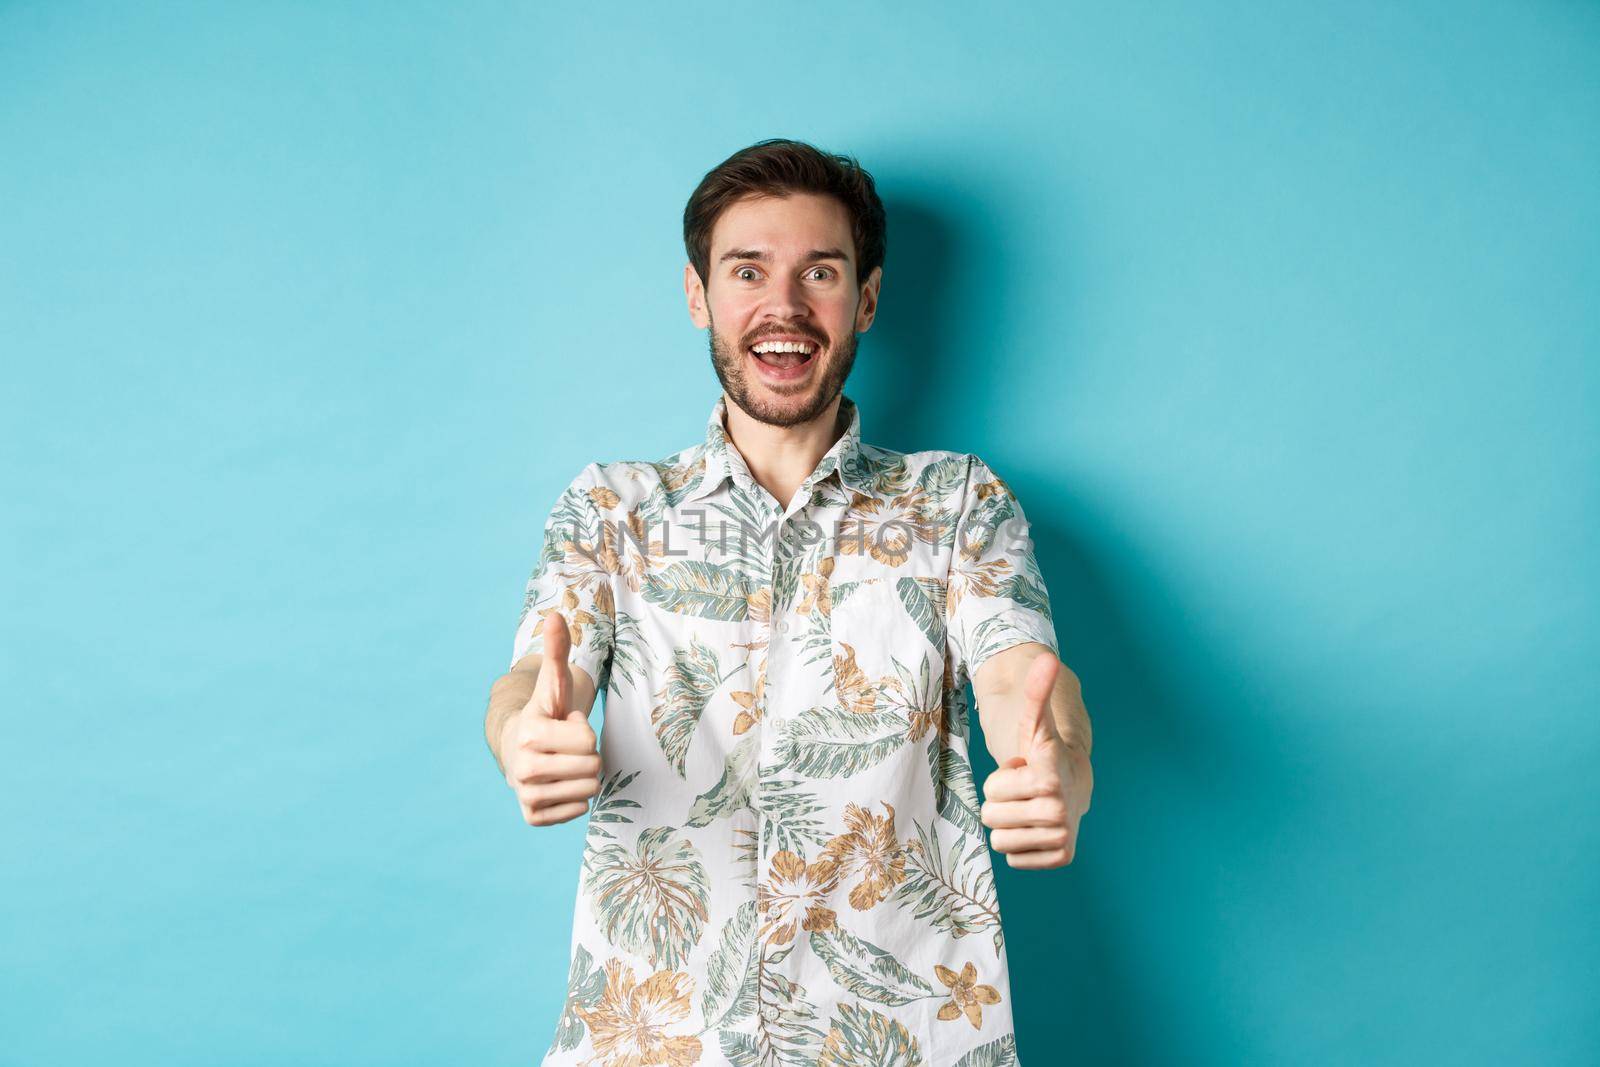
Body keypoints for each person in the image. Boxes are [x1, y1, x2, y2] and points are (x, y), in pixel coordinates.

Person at [482, 138, 1093, 1067]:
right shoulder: (611, 509)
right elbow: (533, 678)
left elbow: (1024, 685)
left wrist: (1059, 770)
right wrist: (523, 733)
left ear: (868, 300)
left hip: (909, 1039)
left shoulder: (959, 502)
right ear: (699, 298)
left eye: (820, 271)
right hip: (657, 1042)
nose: (785, 307)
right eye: (747, 271)